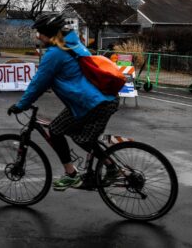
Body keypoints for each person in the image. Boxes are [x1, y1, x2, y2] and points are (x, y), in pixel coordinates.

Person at [9, 13, 120, 190]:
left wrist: (21, 105)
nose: (38, 37)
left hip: (92, 103)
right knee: (83, 137)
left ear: (49, 33)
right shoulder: (73, 44)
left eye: (40, 33)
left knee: (57, 131)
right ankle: (110, 168)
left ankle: (72, 175)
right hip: (100, 98)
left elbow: (38, 83)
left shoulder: (55, 54)